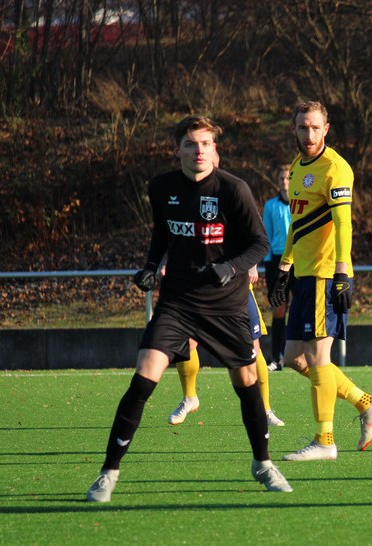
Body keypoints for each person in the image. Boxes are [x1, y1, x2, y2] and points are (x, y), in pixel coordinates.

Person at [85, 115, 292, 501]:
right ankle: (108, 472)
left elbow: (260, 244)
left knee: (247, 382)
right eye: (191, 144)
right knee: (143, 378)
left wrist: (229, 268)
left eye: (206, 144)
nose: (199, 151)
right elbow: (161, 234)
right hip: (177, 302)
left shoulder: (234, 189)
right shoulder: (161, 187)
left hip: (226, 305)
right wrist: (151, 267)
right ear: (177, 149)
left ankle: (263, 463)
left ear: (216, 150)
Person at [268, 100, 372, 461]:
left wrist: (341, 272)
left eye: (315, 127)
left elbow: (343, 225)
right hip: (303, 276)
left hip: (326, 275)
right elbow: (297, 224)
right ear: (294, 129)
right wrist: (284, 267)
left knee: (319, 357)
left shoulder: (336, 168)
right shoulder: (296, 167)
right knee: (294, 358)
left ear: (326, 129)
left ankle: (324, 441)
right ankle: (366, 402)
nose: (309, 134)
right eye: (303, 127)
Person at [169, 268, 285, 428]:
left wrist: (252, 266)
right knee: (186, 341)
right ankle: (189, 397)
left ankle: (264, 410)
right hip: (201, 288)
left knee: (252, 348)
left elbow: (253, 249)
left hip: (237, 287)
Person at [262, 163, 293, 371]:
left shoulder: (303, 203)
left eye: (288, 178)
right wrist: (268, 266)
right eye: (281, 178)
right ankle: (276, 358)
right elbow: (266, 236)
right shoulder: (270, 206)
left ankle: (300, 356)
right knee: (279, 309)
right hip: (277, 262)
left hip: (299, 261)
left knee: (301, 309)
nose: (284, 182)